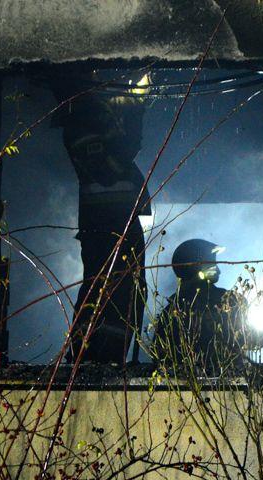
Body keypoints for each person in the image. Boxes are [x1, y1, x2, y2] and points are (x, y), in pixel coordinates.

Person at [52, 79, 151, 364]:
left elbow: (125, 149)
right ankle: (89, 359)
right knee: (106, 292)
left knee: (130, 292)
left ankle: (110, 359)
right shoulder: (80, 127)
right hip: (105, 227)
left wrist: (131, 110)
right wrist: (134, 111)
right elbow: (112, 166)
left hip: (119, 223)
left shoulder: (93, 123)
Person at [152, 239, 257, 373]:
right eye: (212, 264)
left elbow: (158, 354)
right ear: (196, 267)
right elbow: (252, 339)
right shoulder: (228, 301)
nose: (218, 270)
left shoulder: (172, 310)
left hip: (199, 380)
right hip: (225, 379)